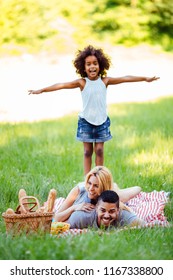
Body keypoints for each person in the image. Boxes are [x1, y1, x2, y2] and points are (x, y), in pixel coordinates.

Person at [28, 45, 159, 175]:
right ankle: (87, 180)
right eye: (88, 64)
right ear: (83, 68)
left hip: (102, 122)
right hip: (86, 122)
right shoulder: (82, 83)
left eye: (95, 63)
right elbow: (61, 85)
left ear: (100, 65)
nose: (92, 67)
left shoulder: (105, 81)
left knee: (100, 150)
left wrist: (144, 78)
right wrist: (42, 90)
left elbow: (125, 78)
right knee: (87, 152)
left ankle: (99, 177)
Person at [54, 166, 141, 222]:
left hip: (111, 189)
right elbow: (56, 218)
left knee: (125, 196)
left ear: (103, 187)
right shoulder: (78, 191)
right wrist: (74, 207)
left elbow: (128, 214)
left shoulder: (109, 196)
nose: (91, 189)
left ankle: (136, 187)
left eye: (96, 186)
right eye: (89, 183)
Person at [68, 190, 145, 229]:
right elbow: (63, 225)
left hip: (118, 195)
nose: (107, 216)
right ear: (96, 208)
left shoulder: (123, 215)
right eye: (103, 210)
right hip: (82, 194)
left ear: (118, 210)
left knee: (134, 191)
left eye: (111, 211)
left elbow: (144, 225)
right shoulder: (82, 217)